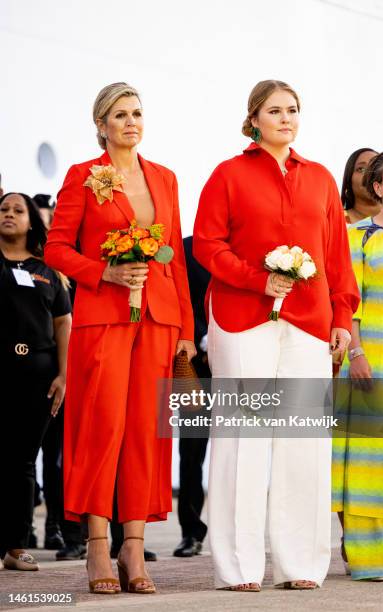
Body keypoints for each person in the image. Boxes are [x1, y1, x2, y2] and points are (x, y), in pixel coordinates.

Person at [193, 79, 360, 591]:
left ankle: (301, 565)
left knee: (302, 441)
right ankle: (238, 568)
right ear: (254, 119)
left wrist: (342, 316)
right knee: (244, 439)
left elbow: (337, 257)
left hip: (309, 322)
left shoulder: (321, 179)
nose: (286, 118)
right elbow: (206, 244)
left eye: (292, 110)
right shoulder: (228, 174)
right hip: (242, 317)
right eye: (275, 110)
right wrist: (255, 278)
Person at [44, 82, 195, 595]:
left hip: (159, 318)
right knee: (101, 425)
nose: (131, 122)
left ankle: (135, 546)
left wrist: (187, 333)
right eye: (120, 115)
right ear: (101, 125)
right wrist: (104, 273)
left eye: (137, 113)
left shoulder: (166, 179)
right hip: (102, 318)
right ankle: (97, 544)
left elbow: (174, 256)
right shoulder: (83, 177)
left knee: (145, 433)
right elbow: (57, 249)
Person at [333, 150, 383, 581]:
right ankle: (371, 559)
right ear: (376, 187)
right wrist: (356, 354)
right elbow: (349, 305)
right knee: (369, 459)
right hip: (371, 361)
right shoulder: (357, 236)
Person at [0, 192, 71, 570]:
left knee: (23, 461)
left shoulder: (48, 270)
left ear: (31, 222)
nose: (9, 215)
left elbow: (63, 323)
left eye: (17, 210)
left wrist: (64, 374)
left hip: (39, 376)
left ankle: (15, 546)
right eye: (4, 210)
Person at [173, 236, 211, 558]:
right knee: (191, 448)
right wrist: (203, 336)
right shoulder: (185, 250)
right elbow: (176, 297)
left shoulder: (252, 244)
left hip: (246, 363)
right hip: (195, 366)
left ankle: (237, 529)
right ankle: (191, 531)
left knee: (241, 449)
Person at [341, 148, 380, 224]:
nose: (370, 174)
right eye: (361, 169)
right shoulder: (334, 222)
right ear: (348, 180)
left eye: (376, 168)